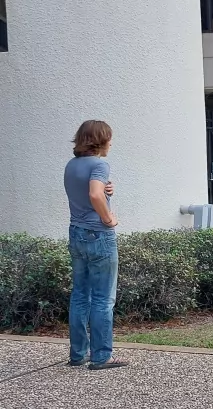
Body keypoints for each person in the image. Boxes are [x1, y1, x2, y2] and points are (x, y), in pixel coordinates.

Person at [64, 120, 127, 370]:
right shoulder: (100, 163)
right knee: (103, 298)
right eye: (109, 138)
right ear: (100, 140)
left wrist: (106, 190)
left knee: (80, 295)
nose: (111, 143)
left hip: (76, 233)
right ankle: (101, 356)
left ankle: (78, 354)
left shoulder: (72, 165)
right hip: (98, 235)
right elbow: (93, 194)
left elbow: (90, 191)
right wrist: (109, 219)